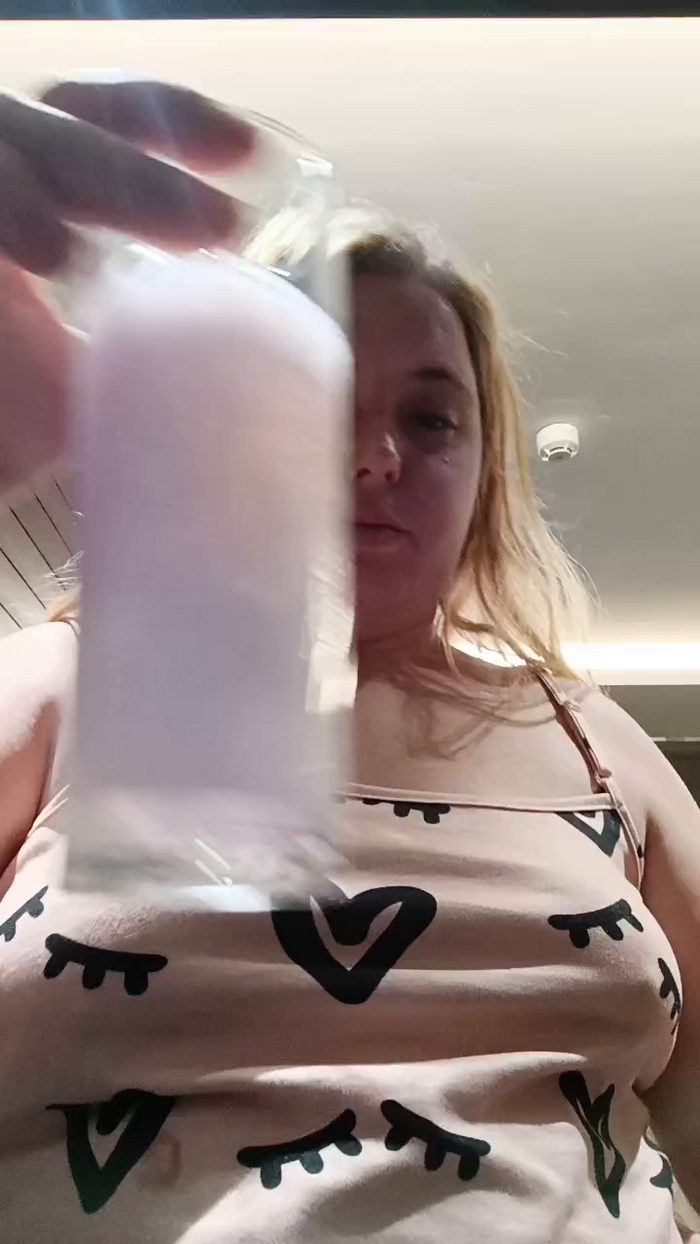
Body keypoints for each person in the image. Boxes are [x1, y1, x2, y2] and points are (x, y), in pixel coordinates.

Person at [1, 80, 699, 1244]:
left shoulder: (594, 738)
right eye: (317, 397)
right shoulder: (69, 678)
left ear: (484, 471)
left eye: (430, 418)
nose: (376, 456)